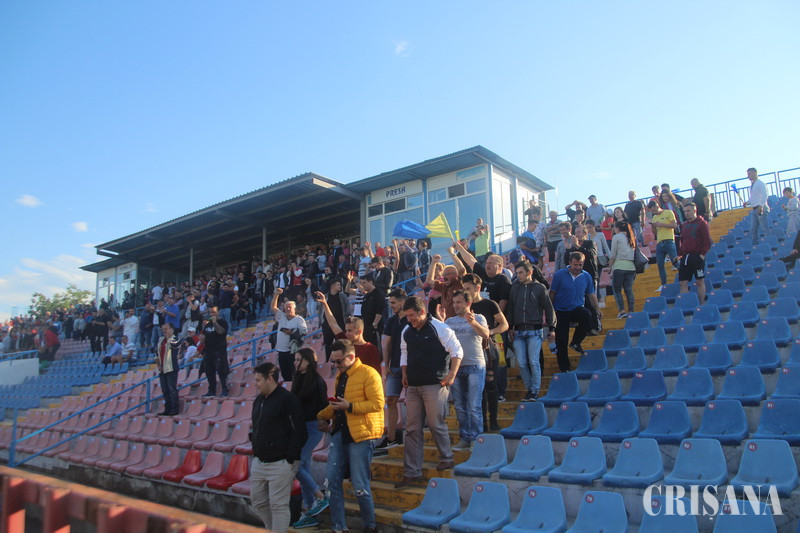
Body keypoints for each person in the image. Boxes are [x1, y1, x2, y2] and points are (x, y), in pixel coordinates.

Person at [316, 339, 384, 533]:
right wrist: (323, 415)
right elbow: (338, 404)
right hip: (341, 432)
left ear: (351, 357)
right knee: (332, 481)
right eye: (333, 361)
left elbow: (377, 404)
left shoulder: (369, 374)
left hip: (361, 435)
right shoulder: (341, 375)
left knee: (360, 484)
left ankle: (370, 526)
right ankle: (339, 527)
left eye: (339, 361)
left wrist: (350, 406)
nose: (335, 365)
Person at [395, 296, 463, 488]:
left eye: (412, 315)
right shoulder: (407, 330)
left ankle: (447, 457)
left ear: (422, 312)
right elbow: (404, 352)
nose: (410, 319)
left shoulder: (440, 328)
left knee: (435, 423)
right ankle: (412, 471)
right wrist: (404, 374)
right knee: (412, 429)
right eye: (407, 316)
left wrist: (451, 375)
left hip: (435, 383)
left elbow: (457, 351)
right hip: (413, 385)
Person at [249, 362, 308, 533]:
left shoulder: (288, 400)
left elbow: (300, 432)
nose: (256, 384)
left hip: (281, 462)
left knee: (278, 505)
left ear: (270, 378)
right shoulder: (258, 400)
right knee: (258, 501)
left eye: (258, 380)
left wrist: (289, 460)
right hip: (260, 461)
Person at [461, 273, 508, 431]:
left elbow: (504, 325)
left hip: (487, 348)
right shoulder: (464, 307)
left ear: (478, 288)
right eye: (464, 288)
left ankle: (493, 420)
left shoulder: (489, 304)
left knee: (490, 384)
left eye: (468, 288)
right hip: (471, 350)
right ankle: (482, 423)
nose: (465, 291)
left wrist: (490, 332)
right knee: (477, 388)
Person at [444, 291, 490, 450]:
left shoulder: (479, 317)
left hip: (475, 365)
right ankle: (465, 438)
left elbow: (486, 335)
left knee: (474, 405)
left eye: (459, 302)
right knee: (459, 406)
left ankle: (477, 440)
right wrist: (440, 320)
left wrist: (473, 323)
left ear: (468, 303)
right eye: (454, 302)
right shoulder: (449, 321)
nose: (455, 305)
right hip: (456, 368)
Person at [290, 348, 330, 529]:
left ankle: (320, 497)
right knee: (303, 465)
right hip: (300, 427)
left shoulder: (318, 381)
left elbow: (323, 404)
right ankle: (309, 509)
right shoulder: (298, 378)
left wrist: (325, 421)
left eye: (298, 359)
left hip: (314, 427)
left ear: (307, 361)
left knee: (296, 463)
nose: (295, 362)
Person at [507, 260, 556, 401]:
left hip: (535, 331)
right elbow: (511, 309)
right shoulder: (515, 288)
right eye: (517, 273)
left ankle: (535, 390)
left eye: (521, 272)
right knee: (522, 363)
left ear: (529, 272)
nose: (518, 275)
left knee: (533, 361)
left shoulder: (539, 288)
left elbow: (549, 308)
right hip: (518, 332)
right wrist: (510, 327)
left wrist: (552, 327)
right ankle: (530, 389)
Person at [549, 252, 601, 371]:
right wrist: (550, 311)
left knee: (587, 315)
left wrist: (597, 309)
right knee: (561, 340)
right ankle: (565, 368)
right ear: (570, 263)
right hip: (560, 310)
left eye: (580, 265)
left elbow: (591, 294)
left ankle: (576, 342)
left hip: (576, 308)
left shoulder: (586, 276)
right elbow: (552, 293)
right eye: (575, 265)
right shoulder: (559, 275)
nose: (577, 267)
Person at [316, 292, 382, 374]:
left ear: (359, 331)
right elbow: (333, 323)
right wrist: (325, 304)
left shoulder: (371, 349)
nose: (346, 333)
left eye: (350, 331)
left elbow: (377, 374)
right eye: (346, 330)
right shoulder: (345, 342)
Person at [378, 288, 408, 450]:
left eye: (394, 303)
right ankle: (391, 438)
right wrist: (386, 365)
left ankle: (411, 436)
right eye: (390, 303)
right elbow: (387, 345)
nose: (391, 306)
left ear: (403, 301)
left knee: (412, 402)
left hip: (409, 368)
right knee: (390, 400)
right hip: (394, 367)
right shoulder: (391, 321)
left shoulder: (411, 318)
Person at [270, 288, 308, 381]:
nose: (287, 309)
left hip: (292, 351)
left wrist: (291, 332)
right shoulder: (282, 316)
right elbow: (273, 307)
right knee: (284, 373)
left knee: (295, 373)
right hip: (281, 350)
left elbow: (304, 332)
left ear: (295, 309)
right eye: (286, 307)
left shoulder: (299, 319)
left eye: (289, 307)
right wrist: (276, 294)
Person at [678, 202, 712, 305]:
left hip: (697, 256)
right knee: (682, 282)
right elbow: (682, 240)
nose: (686, 213)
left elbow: (707, 240)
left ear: (694, 210)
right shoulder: (684, 225)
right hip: (685, 257)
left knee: (699, 281)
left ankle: (701, 305)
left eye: (688, 211)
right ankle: (686, 305)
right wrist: (680, 254)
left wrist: (702, 254)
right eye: (685, 211)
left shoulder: (702, 223)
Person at [425, 248, 466, 319]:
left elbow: (462, 269)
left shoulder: (459, 283)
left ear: (455, 275)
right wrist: (433, 262)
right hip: (446, 321)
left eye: (447, 274)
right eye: (444, 275)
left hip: (458, 320)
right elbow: (429, 281)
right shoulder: (444, 286)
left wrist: (452, 253)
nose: (444, 277)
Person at [648, 199, 680, 289]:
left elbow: (674, 225)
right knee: (660, 265)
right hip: (660, 242)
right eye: (652, 211)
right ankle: (664, 284)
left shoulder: (668, 212)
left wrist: (661, 224)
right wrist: (653, 226)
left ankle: (685, 278)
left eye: (654, 210)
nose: (654, 212)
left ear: (657, 206)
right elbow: (655, 233)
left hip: (669, 240)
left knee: (675, 262)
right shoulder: (654, 217)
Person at [608, 221, 637, 318]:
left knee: (616, 289)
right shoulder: (631, 237)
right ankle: (631, 310)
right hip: (631, 267)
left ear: (617, 228)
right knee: (628, 290)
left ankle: (622, 310)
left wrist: (610, 267)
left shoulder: (616, 237)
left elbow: (613, 254)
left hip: (619, 266)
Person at [201, 306, 230, 397]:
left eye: (213, 312)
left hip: (219, 351)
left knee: (221, 371)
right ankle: (211, 390)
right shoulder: (207, 325)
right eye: (210, 312)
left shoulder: (223, 322)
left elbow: (221, 332)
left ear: (218, 312)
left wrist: (215, 322)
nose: (211, 314)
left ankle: (225, 389)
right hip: (208, 351)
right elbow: (204, 335)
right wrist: (202, 339)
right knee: (209, 371)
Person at [320, 278, 349, 362]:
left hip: (340, 324)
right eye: (338, 284)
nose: (340, 286)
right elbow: (321, 310)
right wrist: (322, 322)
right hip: (327, 325)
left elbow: (347, 309)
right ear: (332, 285)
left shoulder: (342, 296)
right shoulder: (325, 296)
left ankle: (341, 361)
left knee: (341, 344)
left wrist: (346, 321)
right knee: (328, 344)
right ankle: (327, 362)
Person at [155, 322, 181, 416]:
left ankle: (174, 409)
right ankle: (167, 408)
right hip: (162, 368)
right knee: (165, 390)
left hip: (171, 367)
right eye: (163, 329)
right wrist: (159, 366)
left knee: (172, 389)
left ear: (171, 330)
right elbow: (156, 353)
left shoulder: (176, 339)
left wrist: (169, 337)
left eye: (166, 329)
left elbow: (174, 345)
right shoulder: (161, 340)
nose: (164, 331)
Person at [359, 273, 384, 348]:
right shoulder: (367, 295)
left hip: (374, 327)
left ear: (370, 282)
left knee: (375, 347)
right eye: (362, 283)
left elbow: (380, 309)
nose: (362, 285)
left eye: (364, 283)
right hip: (366, 326)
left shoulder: (378, 293)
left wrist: (374, 324)